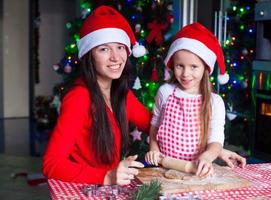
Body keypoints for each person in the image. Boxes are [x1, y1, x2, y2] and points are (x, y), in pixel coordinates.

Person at [43, 5, 151, 185]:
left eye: (120, 47)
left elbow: (152, 123)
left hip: (110, 189)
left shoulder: (119, 92)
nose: (116, 58)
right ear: (89, 55)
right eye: (104, 49)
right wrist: (106, 176)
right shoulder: (79, 98)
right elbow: (51, 164)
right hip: (85, 189)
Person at [145, 22, 245, 177]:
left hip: (195, 172)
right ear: (173, 65)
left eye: (193, 67)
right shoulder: (165, 92)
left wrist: (207, 157)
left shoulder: (215, 102)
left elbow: (216, 140)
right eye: (180, 66)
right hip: (162, 169)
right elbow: (155, 127)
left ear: (205, 68)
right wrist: (153, 148)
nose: (185, 74)